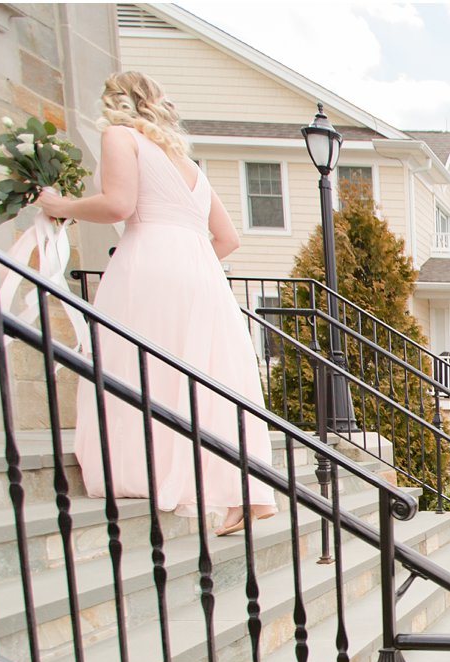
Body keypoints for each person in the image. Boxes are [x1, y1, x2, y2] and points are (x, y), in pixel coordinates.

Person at [34, 71, 275, 535]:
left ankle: (147, 470)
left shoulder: (119, 136)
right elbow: (228, 239)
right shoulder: (188, 165)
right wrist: (190, 262)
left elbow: (118, 205)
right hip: (201, 273)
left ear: (117, 102)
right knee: (205, 379)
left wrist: (62, 205)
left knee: (137, 367)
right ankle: (243, 489)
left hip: (149, 264)